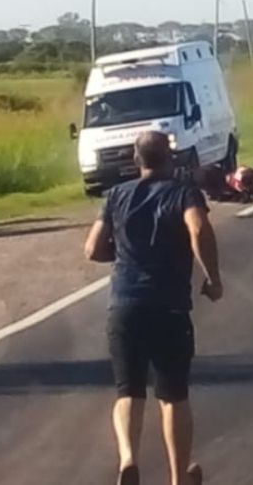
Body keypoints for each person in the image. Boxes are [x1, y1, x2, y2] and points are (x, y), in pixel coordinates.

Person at [84, 131, 222, 485]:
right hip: (169, 307)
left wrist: (126, 255)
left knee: (128, 390)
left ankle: (129, 458)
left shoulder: (116, 195)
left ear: (136, 159)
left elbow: (92, 249)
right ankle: (178, 478)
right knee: (173, 395)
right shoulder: (184, 193)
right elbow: (199, 228)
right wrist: (212, 277)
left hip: (125, 306)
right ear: (170, 158)